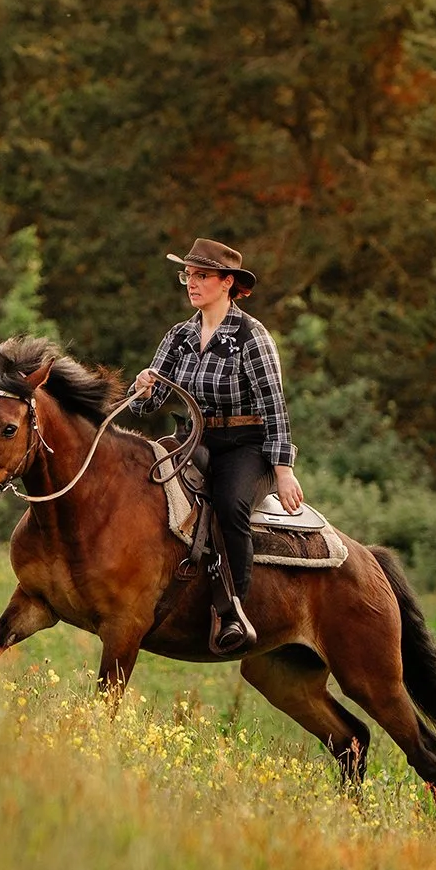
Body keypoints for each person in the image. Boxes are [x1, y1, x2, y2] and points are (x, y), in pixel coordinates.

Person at [130, 237, 301, 653]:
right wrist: (142, 387)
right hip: (196, 439)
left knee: (229, 505)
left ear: (227, 283)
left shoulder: (251, 336)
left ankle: (232, 612)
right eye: (188, 275)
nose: (191, 283)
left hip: (246, 445)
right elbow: (150, 402)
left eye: (201, 276)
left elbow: (274, 405)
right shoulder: (180, 335)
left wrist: (283, 469)